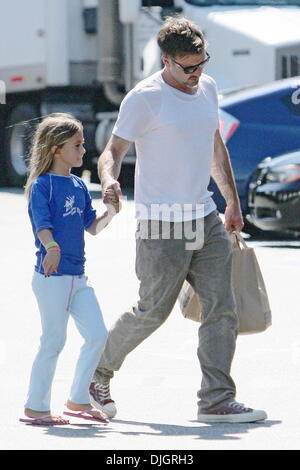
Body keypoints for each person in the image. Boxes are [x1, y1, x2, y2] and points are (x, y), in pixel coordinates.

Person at [89, 17, 267, 423]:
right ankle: (95, 374)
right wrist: (108, 180)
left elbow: (214, 145)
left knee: (223, 308)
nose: (197, 72)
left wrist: (231, 203)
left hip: (204, 217)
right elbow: (112, 151)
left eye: (202, 61)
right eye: (188, 67)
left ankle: (216, 400)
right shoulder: (143, 98)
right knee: (152, 310)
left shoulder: (206, 87)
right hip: (159, 224)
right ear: (166, 61)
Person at [20, 113, 117, 425]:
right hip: (52, 278)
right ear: (56, 149)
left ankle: (77, 400)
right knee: (53, 341)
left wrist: (111, 210)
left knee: (98, 334)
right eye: (77, 145)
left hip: (78, 277)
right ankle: (36, 407)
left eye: (83, 145)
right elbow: (42, 226)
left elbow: (93, 227)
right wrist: (52, 247)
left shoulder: (77, 184)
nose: (83, 151)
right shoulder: (43, 186)